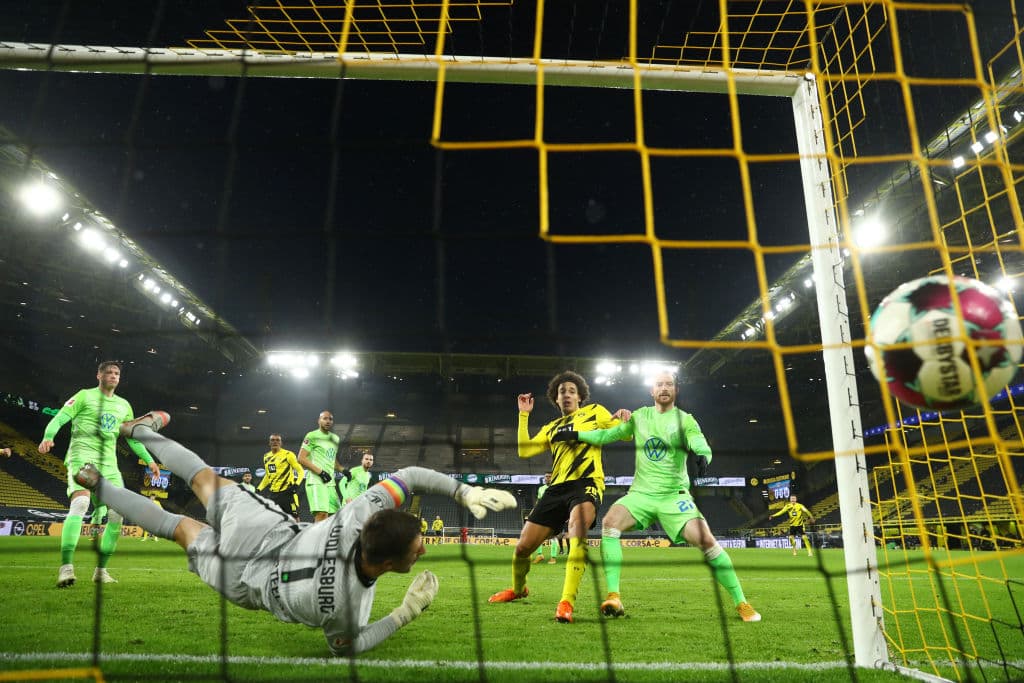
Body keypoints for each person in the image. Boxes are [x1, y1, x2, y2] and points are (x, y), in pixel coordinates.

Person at [73, 410, 517, 655]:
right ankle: (99, 485)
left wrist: (461, 492)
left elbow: (411, 474)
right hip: (246, 583)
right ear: (385, 565)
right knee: (180, 529)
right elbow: (349, 646)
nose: (422, 553)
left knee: (203, 481)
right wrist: (405, 612)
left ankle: (142, 432)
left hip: (265, 533)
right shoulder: (347, 607)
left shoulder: (353, 519)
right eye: (416, 551)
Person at [552, 371, 761, 622]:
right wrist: (577, 435)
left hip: (674, 496)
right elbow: (607, 435)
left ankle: (742, 603)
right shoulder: (640, 417)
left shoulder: (685, 420)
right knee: (609, 523)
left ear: (675, 391)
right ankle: (614, 596)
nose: (664, 388)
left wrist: (703, 456)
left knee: (706, 540)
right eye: (659, 384)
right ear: (652, 391)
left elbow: (699, 441)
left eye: (669, 384)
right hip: (640, 494)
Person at [488, 370, 620, 624]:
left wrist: (624, 420)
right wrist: (523, 415)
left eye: (571, 391)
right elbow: (524, 451)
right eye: (562, 392)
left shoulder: (595, 412)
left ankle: (566, 602)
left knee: (577, 530)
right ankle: (518, 590)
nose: (567, 395)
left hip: (587, 483)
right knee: (523, 547)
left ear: (580, 396)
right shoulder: (552, 427)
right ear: (556, 400)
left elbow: (624, 433)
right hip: (557, 489)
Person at [36, 361, 161, 588]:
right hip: (81, 457)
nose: (113, 376)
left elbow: (131, 438)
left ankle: (101, 571)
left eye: (117, 373)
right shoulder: (84, 396)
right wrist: (48, 436)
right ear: (99, 375)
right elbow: (60, 417)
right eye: (109, 372)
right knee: (81, 503)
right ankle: (66, 568)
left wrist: (150, 460)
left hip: (110, 466)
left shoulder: (124, 405)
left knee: (117, 516)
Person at [295, 412, 340, 523]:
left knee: (336, 516)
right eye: (325, 418)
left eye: (330, 419)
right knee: (322, 515)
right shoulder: (312, 435)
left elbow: (331, 459)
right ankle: (315, 540)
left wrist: (343, 470)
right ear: (319, 420)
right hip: (316, 481)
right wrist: (321, 473)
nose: (328, 421)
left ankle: (327, 539)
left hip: (331, 483)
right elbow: (301, 458)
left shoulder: (335, 438)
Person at [257, 433, 304, 520]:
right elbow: (268, 475)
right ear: (269, 443)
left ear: (281, 443)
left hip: (287, 493)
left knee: (295, 518)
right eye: (272, 440)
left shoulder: (288, 454)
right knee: (274, 519)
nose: (275, 442)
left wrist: (296, 485)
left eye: (277, 440)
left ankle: (299, 533)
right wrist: (259, 488)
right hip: (273, 494)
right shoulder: (266, 456)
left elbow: (300, 471)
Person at [532, 473, 558, 564]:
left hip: (554, 514)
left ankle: (553, 557)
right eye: (546, 477)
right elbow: (538, 501)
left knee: (552, 536)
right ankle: (540, 555)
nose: (547, 478)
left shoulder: (557, 487)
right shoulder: (541, 489)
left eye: (549, 476)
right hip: (542, 514)